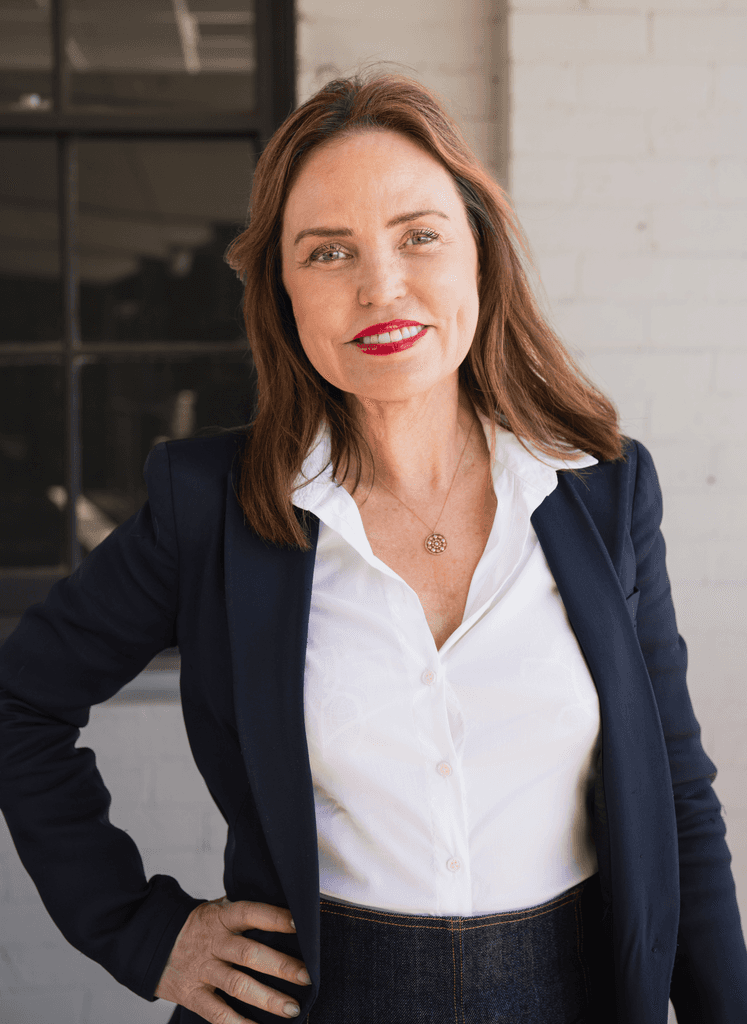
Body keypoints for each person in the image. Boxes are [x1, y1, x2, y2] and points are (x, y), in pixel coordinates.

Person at [1, 69, 746, 1024]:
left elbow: (677, 792)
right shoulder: (210, 508)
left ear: (478, 251)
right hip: (321, 999)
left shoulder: (601, 491)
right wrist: (143, 933)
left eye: (419, 236)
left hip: (575, 992)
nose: (379, 285)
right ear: (283, 292)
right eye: (327, 252)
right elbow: (22, 699)